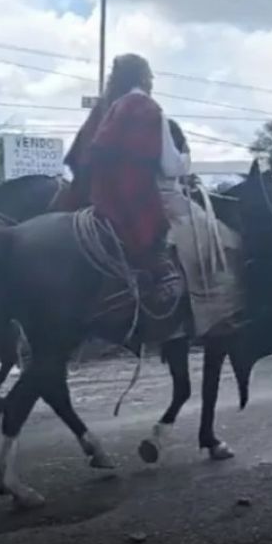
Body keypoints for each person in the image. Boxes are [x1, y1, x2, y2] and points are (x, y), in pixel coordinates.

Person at [63, 53, 242, 336]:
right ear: (143, 77)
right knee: (211, 234)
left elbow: (83, 154)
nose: (154, 80)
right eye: (151, 75)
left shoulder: (108, 106)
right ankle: (211, 312)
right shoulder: (148, 109)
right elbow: (169, 165)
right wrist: (185, 161)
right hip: (143, 195)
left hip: (100, 193)